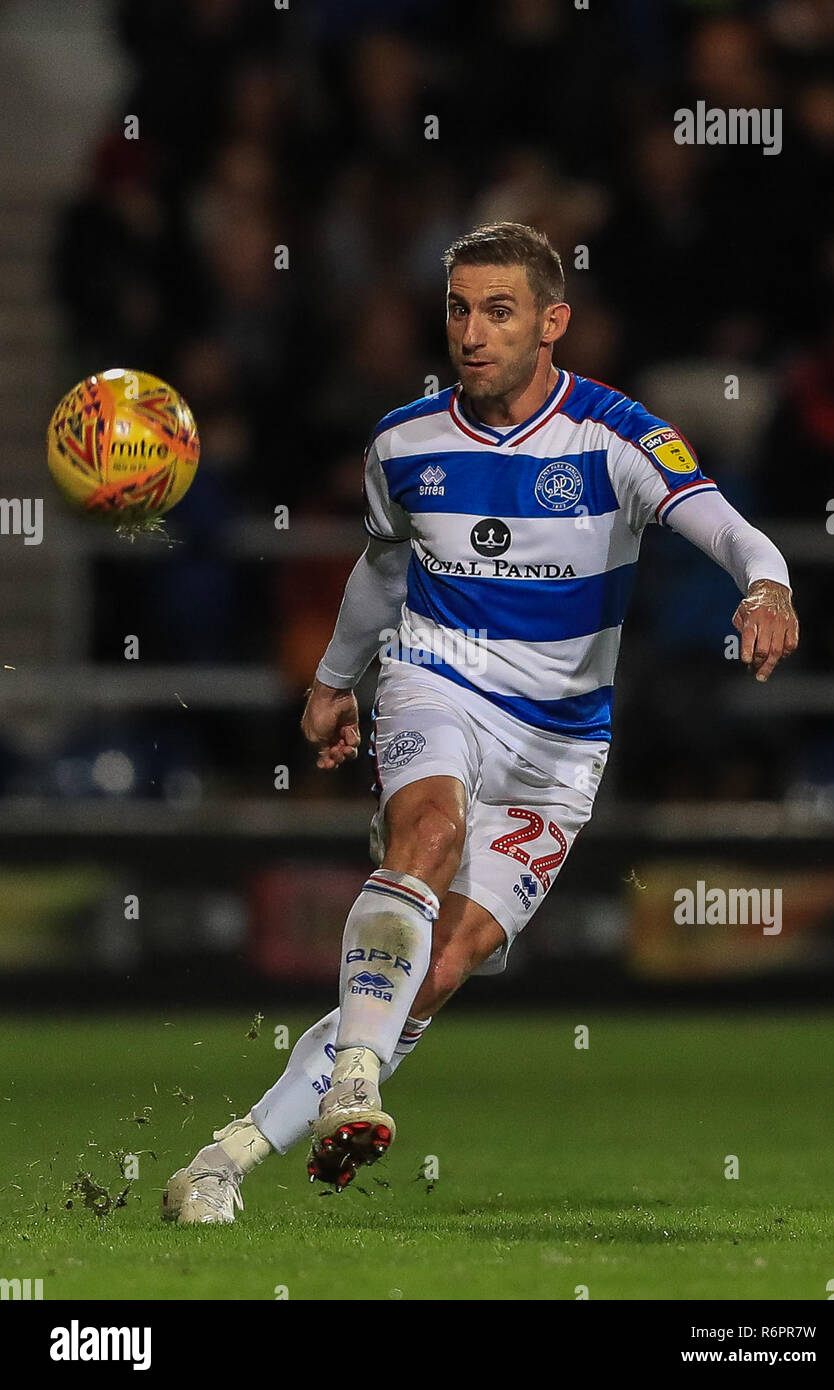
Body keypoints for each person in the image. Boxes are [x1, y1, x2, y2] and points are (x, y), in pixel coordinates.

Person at [163, 222, 798, 1222]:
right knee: (427, 832)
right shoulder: (404, 442)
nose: (470, 330)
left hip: (558, 745)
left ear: (552, 323)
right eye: (457, 307)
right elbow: (379, 574)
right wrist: (334, 679)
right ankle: (356, 1081)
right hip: (436, 679)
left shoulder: (614, 437)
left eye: (497, 309)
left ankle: (219, 1159)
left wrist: (763, 586)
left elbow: (723, 522)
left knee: (438, 966)